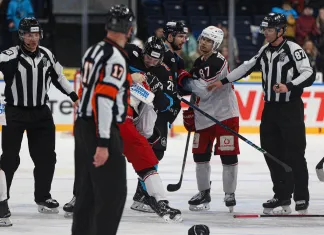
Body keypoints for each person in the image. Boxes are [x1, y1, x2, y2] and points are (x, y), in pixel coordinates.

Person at [207, 13, 315, 215]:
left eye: (270, 29)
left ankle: (301, 197)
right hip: (270, 110)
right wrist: (222, 82)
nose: (266, 32)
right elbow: (247, 67)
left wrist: (288, 86)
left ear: (281, 31)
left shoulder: (293, 49)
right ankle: (282, 195)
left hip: (290, 109)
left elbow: (308, 72)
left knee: (295, 154)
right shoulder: (265, 50)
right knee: (271, 153)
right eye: (264, 29)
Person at [0, 17, 78, 227]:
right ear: (21, 35)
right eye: (28, 34)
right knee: (9, 160)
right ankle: (1, 201)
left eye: (36, 34)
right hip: (14, 113)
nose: (33, 38)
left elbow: (60, 77)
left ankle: (43, 196)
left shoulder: (47, 55)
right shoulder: (9, 56)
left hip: (41, 114)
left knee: (46, 158)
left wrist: (74, 97)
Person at [71, 4, 136, 235]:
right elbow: (104, 100)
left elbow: (86, 91)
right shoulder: (116, 58)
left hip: (83, 125)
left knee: (86, 194)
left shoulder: (93, 49)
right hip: (100, 128)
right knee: (113, 195)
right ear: (129, 29)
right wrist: (103, 142)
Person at [177, 26, 240, 212]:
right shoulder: (198, 61)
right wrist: (190, 110)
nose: (203, 43)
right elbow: (191, 91)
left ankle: (229, 193)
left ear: (216, 44)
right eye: (203, 38)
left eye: (209, 41)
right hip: (203, 116)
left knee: (228, 155)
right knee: (200, 155)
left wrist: (181, 79)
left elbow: (203, 90)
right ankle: (204, 192)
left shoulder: (217, 62)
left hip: (224, 115)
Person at [125, 36, 178, 214]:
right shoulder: (130, 53)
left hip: (145, 114)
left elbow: (165, 104)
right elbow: (109, 64)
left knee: (154, 152)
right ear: (143, 52)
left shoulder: (163, 72)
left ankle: (143, 194)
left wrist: (157, 90)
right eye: (148, 58)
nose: (150, 62)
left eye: (155, 60)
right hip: (120, 107)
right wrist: (129, 76)